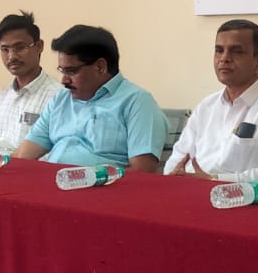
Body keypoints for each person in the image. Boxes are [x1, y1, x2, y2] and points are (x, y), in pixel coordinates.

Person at [163, 19, 258, 187]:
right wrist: (175, 175)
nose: (224, 58)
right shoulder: (206, 106)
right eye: (219, 50)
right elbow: (177, 157)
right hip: (189, 193)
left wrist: (215, 181)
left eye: (236, 52)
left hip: (241, 199)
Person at [15, 24, 166, 172]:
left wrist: (88, 180)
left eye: (71, 71)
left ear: (100, 67)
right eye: (62, 71)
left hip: (101, 186)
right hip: (52, 182)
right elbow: (23, 155)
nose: (64, 80)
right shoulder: (61, 99)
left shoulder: (137, 102)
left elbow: (142, 172)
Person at [0, 11, 59, 158]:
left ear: (39, 46)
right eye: (5, 49)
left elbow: (54, 154)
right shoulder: (4, 94)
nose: (11, 56)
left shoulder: (57, 96)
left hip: (26, 169)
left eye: (20, 47)